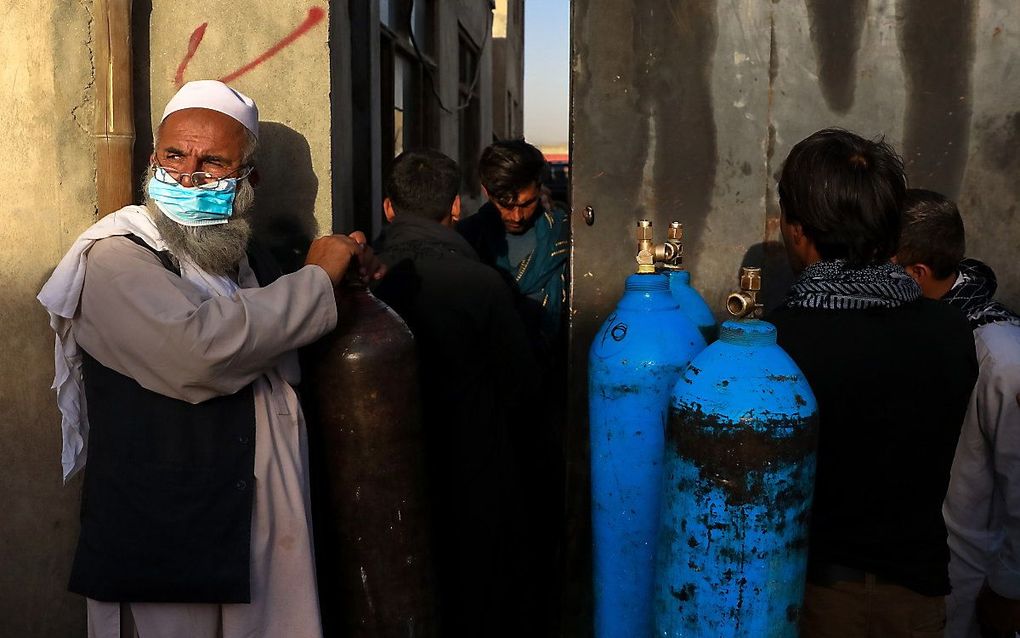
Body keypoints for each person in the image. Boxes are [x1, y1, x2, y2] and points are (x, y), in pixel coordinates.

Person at [37, 80, 380, 638]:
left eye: (213, 162)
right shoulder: (114, 258)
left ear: (249, 181)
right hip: (166, 537)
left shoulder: (247, 261)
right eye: (173, 156)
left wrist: (348, 277)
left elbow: (275, 324)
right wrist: (318, 279)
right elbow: (197, 351)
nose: (188, 174)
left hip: (256, 533)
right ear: (152, 161)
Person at [766, 129, 979, 637]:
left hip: (812, 598)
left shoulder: (778, 343)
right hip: (918, 599)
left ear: (797, 230)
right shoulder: (952, 332)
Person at [371, 149, 539, 636]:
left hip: (381, 481)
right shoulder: (482, 284)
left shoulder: (360, 281)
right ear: (456, 209)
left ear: (387, 208)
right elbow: (522, 389)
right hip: (474, 478)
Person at [896, 188, 1020, 638]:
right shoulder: (915, 335)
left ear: (916, 272)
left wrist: (1008, 590)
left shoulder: (1001, 357)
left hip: (972, 592)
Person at [457, 139, 569, 350]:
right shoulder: (465, 241)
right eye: (506, 206)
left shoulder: (564, 234)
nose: (517, 216)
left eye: (527, 203)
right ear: (486, 192)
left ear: (539, 188)